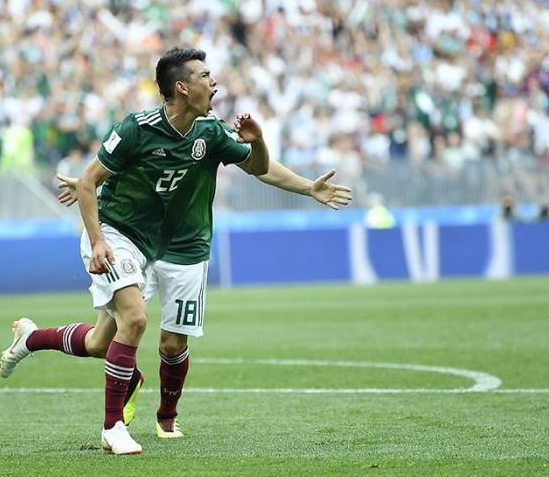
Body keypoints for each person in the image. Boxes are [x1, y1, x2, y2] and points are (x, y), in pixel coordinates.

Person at [0, 47, 272, 455]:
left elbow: (260, 167)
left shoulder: (209, 131)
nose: (213, 82)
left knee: (98, 342)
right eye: (205, 75)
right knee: (137, 319)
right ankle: (113, 429)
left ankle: (30, 338)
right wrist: (98, 242)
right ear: (181, 87)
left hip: (145, 246)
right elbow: (88, 183)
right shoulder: (136, 128)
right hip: (111, 233)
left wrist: (260, 141)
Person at [49, 159, 352, 437]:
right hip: (137, 241)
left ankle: (166, 416)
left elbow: (259, 165)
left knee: (172, 343)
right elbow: (119, 165)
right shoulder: (147, 128)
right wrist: (90, 181)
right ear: (181, 94)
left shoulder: (211, 132)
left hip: (186, 249)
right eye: (208, 93)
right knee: (102, 341)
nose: (212, 96)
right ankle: (37, 341)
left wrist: (308, 186)